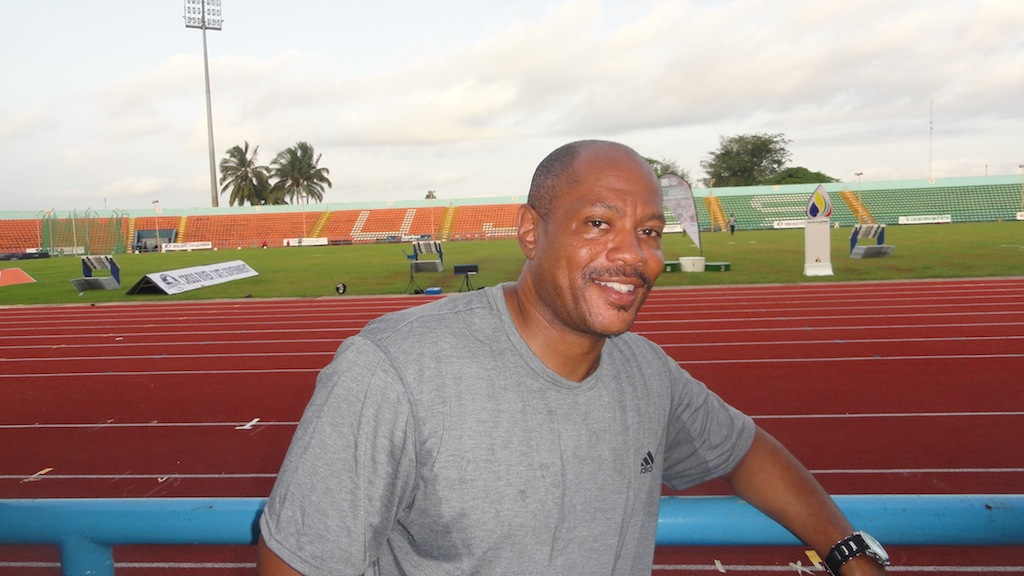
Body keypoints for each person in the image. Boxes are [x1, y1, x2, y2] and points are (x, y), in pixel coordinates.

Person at [256, 140, 888, 576]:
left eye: (648, 231)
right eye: (597, 224)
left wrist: (847, 550)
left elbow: (743, 451)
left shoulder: (647, 375)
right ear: (532, 232)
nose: (634, 255)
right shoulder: (393, 371)